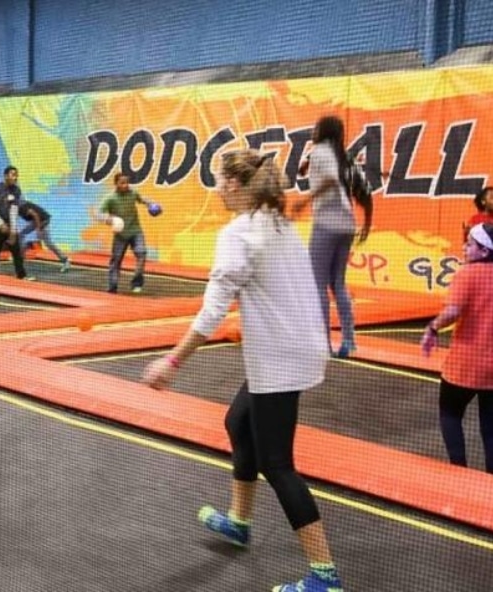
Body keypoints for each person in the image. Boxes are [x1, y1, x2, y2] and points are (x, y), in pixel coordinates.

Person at [143, 150, 342, 592]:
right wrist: (326, 181)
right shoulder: (274, 218)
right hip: (296, 348)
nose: (216, 188)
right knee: (238, 421)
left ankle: (325, 578)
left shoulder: (240, 233)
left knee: (277, 463)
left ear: (234, 184)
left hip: (279, 359)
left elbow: (212, 313)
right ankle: (240, 522)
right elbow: (296, 199)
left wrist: (171, 362)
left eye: (218, 180)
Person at [293, 115, 372, 358]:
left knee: (317, 283)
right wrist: (367, 223)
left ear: (324, 131)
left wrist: (305, 200)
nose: (312, 131)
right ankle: (348, 340)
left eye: (316, 127)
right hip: (347, 224)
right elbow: (364, 192)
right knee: (337, 282)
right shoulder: (344, 157)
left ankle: (322, 343)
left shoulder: (320, 152)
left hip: (326, 223)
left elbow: (327, 179)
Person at [422, 222, 493, 474]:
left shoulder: (467, 274)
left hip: (464, 364)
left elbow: (452, 311)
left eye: (470, 244)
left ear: (484, 251)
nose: (464, 248)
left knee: (450, 414)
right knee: (490, 425)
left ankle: (459, 471)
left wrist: (432, 329)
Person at [99, 172, 155, 294]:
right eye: (122, 183)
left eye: (127, 182)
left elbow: (142, 199)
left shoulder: (133, 193)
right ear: (116, 183)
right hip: (120, 235)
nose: (125, 185)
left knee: (142, 254)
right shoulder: (110, 198)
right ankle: (112, 286)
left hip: (135, 231)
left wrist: (151, 204)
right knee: (116, 260)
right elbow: (100, 214)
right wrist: (108, 220)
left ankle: (136, 283)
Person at [0, 165, 34, 280]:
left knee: (16, 251)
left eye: (16, 175)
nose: (15, 177)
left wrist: (13, 230)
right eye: (13, 175)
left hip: (9, 226)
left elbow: (14, 210)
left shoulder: (16, 190)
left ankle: (21, 275)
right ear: (5, 176)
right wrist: (0, 223)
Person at [19, 200, 71, 272]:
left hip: (43, 221)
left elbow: (35, 215)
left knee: (48, 243)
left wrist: (38, 230)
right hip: (36, 221)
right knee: (21, 234)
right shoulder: (18, 205)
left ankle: (65, 260)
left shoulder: (21, 207)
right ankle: (20, 257)